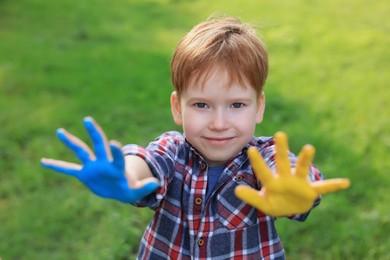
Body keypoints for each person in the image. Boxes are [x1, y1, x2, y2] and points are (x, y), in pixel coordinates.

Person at [41, 16, 350, 259]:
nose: (218, 123)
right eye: (201, 105)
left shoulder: (264, 158)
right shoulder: (173, 151)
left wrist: (297, 191)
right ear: (178, 107)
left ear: (259, 107)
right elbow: (147, 163)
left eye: (237, 105)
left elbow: (292, 174)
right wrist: (126, 175)